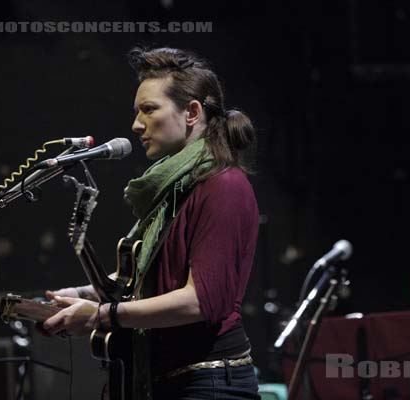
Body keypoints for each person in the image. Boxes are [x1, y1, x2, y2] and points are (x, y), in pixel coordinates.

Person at [42, 46, 261, 400]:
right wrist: (83, 296)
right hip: (166, 382)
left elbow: (200, 301)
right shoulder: (171, 189)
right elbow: (145, 280)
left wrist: (101, 315)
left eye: (149, 109)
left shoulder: (224, 186)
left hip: (208, 386)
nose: (136, 124)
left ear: (191, 112)